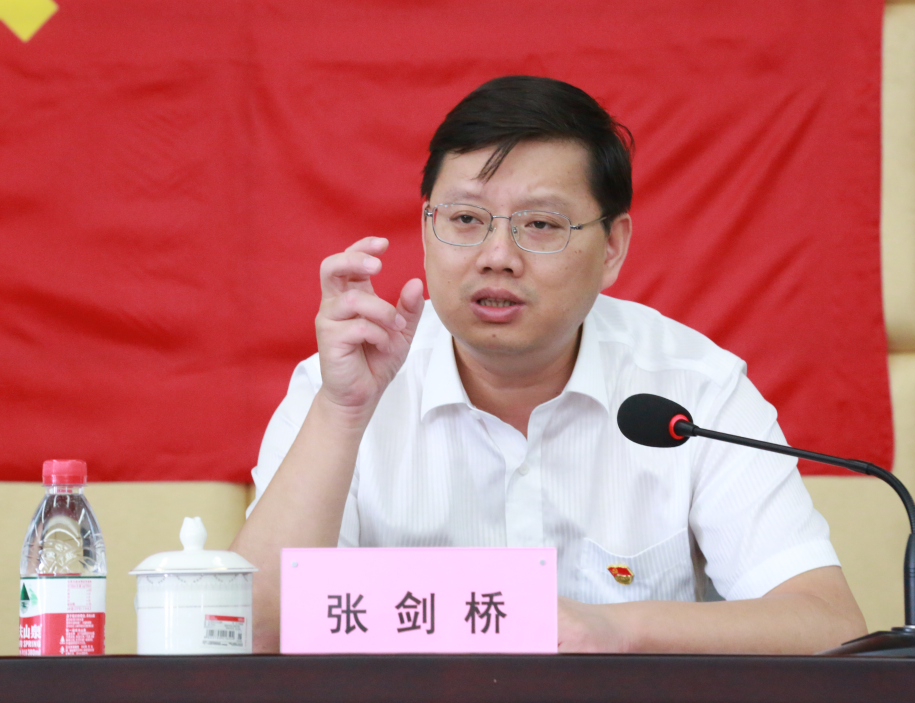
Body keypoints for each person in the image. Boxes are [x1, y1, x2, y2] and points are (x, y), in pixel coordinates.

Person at [231, 75, 867, 654]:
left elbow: (826, 625)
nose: (497, 256)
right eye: (465, 219)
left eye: (540, 224)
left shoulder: (693, 388)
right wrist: (343, 414)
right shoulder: (340, 386)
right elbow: (252, 631)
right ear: (425, 228)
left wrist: (616, 629)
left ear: (612, 247)